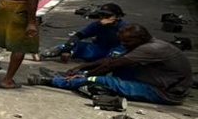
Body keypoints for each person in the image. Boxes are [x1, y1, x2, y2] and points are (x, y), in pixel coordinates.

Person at [34, 24, 193, 104]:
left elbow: (111, 65)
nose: (123, 44)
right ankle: (74, 78)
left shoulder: (150, 49)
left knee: (102, 80)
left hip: (165, 93)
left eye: (127, 42)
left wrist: (87, 74)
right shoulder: (145, 44)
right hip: (158, 80)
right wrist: (82, 67)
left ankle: (55, 81)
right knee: (116, 69)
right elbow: (113, 60)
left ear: (139, 39)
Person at [42, 3, 126, 62]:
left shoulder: (124, 27)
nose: (103, 18)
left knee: (115, 57)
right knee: (73, 47)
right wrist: (67, 49)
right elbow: (78, 36)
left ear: (118, 17)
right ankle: (47, 54)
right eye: (102, 15)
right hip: (100, 49)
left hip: (117, 51)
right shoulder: (97, 25)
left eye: (107, 16)